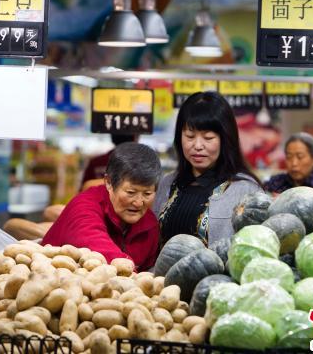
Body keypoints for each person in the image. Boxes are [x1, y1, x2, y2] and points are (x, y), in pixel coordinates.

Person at [153, 91, 263, 247]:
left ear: (225, 139)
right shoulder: (168, 183)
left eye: (208, 138)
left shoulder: (246, 190)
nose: (197, 146)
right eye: (190, 136)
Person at [42, 142, 162, 271]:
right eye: (131, 192)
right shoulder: (84, 206)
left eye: (147, 194)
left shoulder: (150, 225)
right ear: (109, 183)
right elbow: (97, 246)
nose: (139, 202)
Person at [264, 132, 313, 197]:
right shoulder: (276, 181)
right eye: (289, 157)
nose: (294, 163)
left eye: (300, 157)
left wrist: (283, 200)